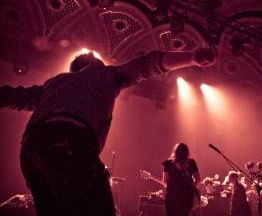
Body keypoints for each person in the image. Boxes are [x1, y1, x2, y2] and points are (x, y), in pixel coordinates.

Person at [0, 48, 215, 216]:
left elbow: (15, 97)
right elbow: (146, 65)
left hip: (31, 148)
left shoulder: (55, 83)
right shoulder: (105, 74)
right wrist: (191, 57)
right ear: (94, 64)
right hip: (70, 142)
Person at [162, 143, 200, 216]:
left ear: (175, 151)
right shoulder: (191, 162)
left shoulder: (168, 163)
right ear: (187, 152)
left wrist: (173, 187)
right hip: (187, 196)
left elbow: (165, 181)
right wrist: (191, 187)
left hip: (172, 196)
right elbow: (198, 179)